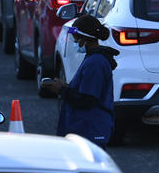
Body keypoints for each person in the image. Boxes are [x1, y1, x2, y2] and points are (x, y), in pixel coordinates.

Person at [41, 15, 118, 149]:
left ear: (84, 40)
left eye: (76, 39)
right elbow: (85, 89)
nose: (75, 43)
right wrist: (65, 86)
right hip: (86, 129)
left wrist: (61, 90)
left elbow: (88, 99)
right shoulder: (92, 59)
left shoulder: (96, 63)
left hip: (90, 130)